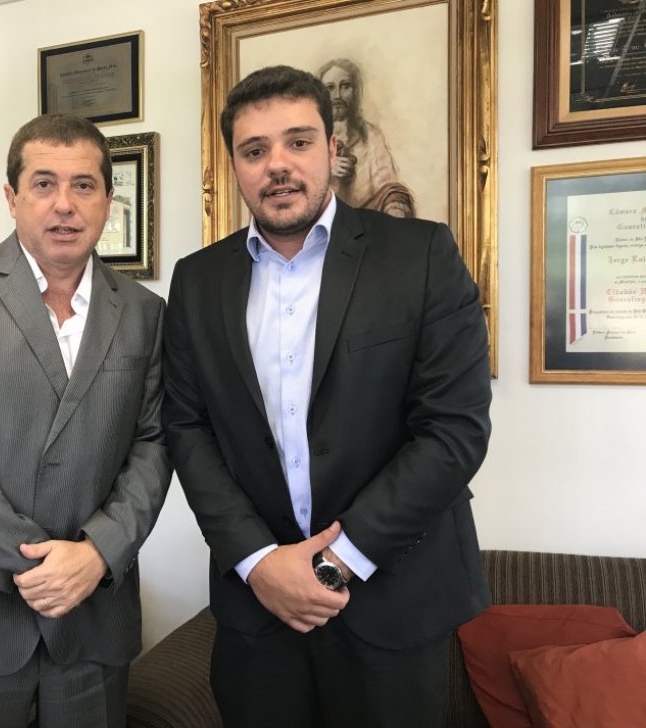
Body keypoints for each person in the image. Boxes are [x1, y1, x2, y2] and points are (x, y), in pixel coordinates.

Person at [163, 65, 492, 727]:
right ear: (234, 165)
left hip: (394, 600)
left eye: (298, 142)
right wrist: (259, 562)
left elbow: (453, 429)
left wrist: (334, 563)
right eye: (254, 150)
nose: (277, 165)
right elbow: (188, 428)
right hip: (257, 610)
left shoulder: (420, 254)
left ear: (332, 149)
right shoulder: (197, 280)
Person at [0, 113, 172, 728]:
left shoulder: (145, 312)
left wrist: (97, 553)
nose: (64, 204)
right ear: (12, 198)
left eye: (83, 185)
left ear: (108, 200)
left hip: (93, 616)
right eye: (44, 184)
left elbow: (153, 443)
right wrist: (37, 566)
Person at [318, 57, 415, 217]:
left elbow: (388, 187)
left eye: (345, 86)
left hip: (366, 220)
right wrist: (327, 170)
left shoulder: (371, 136)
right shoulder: (310, 137)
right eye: (330, 88)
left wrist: (395, 209)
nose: (337, 95)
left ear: (356, 91)